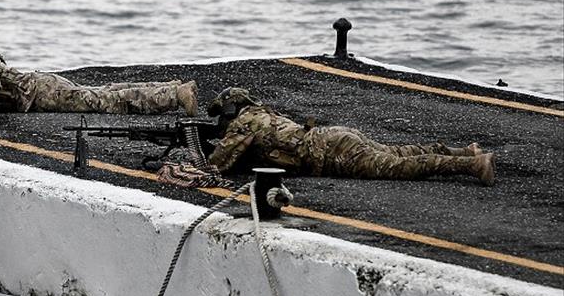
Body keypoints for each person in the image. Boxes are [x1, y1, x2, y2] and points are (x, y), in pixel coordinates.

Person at [205, 88, 497, 186]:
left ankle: (473, 165)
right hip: (334, 136)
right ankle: (464, 151)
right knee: (398, 151)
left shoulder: (242, 125)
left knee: (395, 167)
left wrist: (197, 151)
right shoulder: (263, 114)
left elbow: (218, 165)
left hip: (332, 154)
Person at [0, 28, 201, 115]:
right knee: (104, 92)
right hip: (41, 84)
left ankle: (175, 95)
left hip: (39, 94)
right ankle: (170, 87)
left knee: (107, 102)